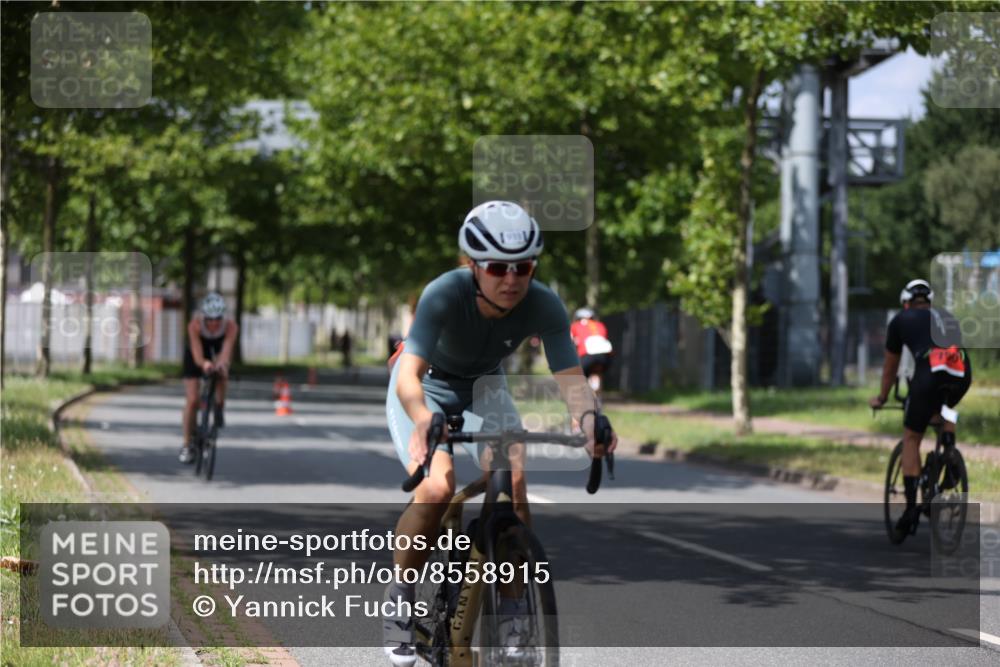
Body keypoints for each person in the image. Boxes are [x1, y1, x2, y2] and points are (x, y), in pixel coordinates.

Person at [383, 201, 617, 666]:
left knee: (513, 481)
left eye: (523, 267)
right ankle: (400, 597)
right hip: (426, 387)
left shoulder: (544, 303)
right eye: (496, 268)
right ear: (473, 266)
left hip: (487, 387)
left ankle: (512, 609)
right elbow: (409, 374)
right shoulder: (443, 294)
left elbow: (571, 380)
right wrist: (424, 418)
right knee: (437, 485)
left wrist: (591, 422)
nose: (511, 280)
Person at [869, 279, 972, 538]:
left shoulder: (900, 320)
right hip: (961, 371)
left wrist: (882, 397)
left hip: (928, 371)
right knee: (945, 405)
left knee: (912, 437)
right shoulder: (946, 317)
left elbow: (890, 368)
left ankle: (911, 511)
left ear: (906, 303)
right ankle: (949, 452)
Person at [179, 292, 239, 464]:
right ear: (203, 317)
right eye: (209, 319)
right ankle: (186, 444)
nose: (213, 323)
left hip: (217, 350)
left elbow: (226, 351)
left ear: (223, 317)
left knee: (222, 373)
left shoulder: (231, 327)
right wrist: (204, 363)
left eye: (217, 319)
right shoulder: (195, 325)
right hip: (196, 353)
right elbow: (197, 355)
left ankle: (219, 406)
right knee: (192, 400)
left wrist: (221, 364)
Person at [570, 307, 613, 393]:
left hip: (587, 355)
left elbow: (570, 341)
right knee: (597, 372)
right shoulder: (600, 325)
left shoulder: (575, 326)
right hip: (605, 357)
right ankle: (597, 395)